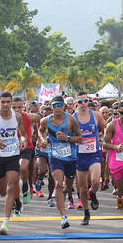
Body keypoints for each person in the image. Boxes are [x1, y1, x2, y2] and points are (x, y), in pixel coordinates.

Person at [0, 91, 27, 235]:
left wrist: (24, 142)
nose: (6, 105)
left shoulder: (17, 117)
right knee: (2, 191)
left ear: (12, 103)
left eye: (8, 102)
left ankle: (5, 222)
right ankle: (16, 200)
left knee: (12, 184)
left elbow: (24, 135)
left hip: (13, 154)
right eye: (3, 102)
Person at [38, 95, 82, 229]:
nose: (57, 108)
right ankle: (63, 217)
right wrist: (43, 139)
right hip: (54, 155)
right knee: (58, 183)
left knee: (69, 182)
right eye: (54, 105)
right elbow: (40, 131)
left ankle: (69, 195)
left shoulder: (71, 120)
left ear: (64, 106)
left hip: (70, 156)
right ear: (51, 107)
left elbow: (80, 138)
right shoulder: (45, 120)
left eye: (59, 105)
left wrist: (67, 138)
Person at [74, 95, 106, 225]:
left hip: (94, 153)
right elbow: (68, 134)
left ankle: (92, 193)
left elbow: (106, 128)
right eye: (80, 101)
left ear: (88, 101)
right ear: (77, 103)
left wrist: (104, 140)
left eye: (85, 101)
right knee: (82, 187)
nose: (83, 103)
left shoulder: (96, 115)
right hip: (80, 155)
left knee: (95, 181)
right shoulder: (73, 118)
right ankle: (86, 213)